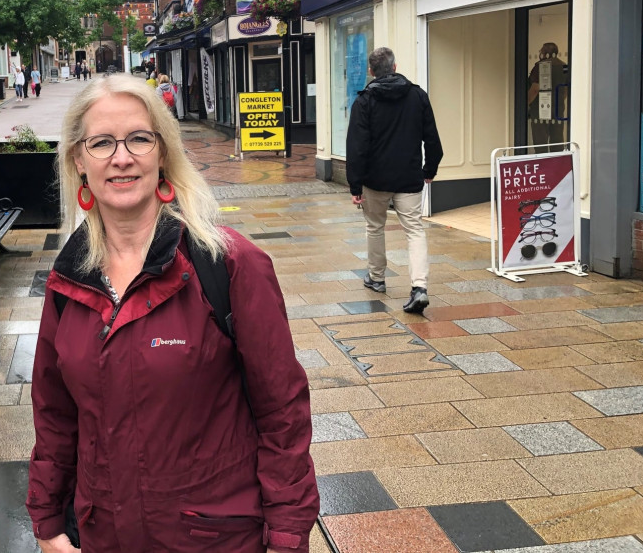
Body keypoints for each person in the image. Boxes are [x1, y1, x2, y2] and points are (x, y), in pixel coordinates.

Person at [27, 75, 319, 553]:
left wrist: (287, 537)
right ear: (78, 160)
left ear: (162, 152)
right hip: (104, 536)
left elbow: (282, 413)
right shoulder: (68, 281)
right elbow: (55, 415)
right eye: (101, 143)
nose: (122, 158)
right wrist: (46, 519)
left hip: (213, 539)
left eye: (139, 138)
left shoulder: (228, 265)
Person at [346, 47, 443, 314]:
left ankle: (377, 279)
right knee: (414, 229)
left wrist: (355, 184)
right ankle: (419, 287)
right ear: (395, 67)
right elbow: (432, 138)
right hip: (409, 177)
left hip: (375, 179)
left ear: (371, 71)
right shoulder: (417, 96)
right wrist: (429, 169)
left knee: (375, 227)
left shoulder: (364, 101)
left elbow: (357, 147)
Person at [526, 42, 569, 153]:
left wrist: (526, 103)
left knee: (540, 139)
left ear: (545, 53)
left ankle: (543, 164)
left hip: (541, 108)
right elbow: (566, 89)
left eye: (541, 51)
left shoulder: (540, 66)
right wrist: (559, 101)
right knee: (557, 138)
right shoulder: (564, 66)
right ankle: (557, 164)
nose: (540, 53)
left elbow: (535, 89)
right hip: (558, 108)